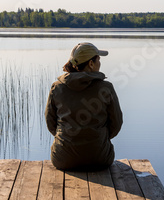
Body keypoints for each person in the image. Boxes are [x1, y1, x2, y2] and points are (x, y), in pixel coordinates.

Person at [45, 42, 123, 171]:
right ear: (91, 64)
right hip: (100, 159)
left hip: (63, 159)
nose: (100, 63)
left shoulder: (57, 87)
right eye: (98, 59)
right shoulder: (106, 88)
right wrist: (97, 139)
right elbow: (116, 124)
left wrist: (68, 140)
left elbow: (50, 122)